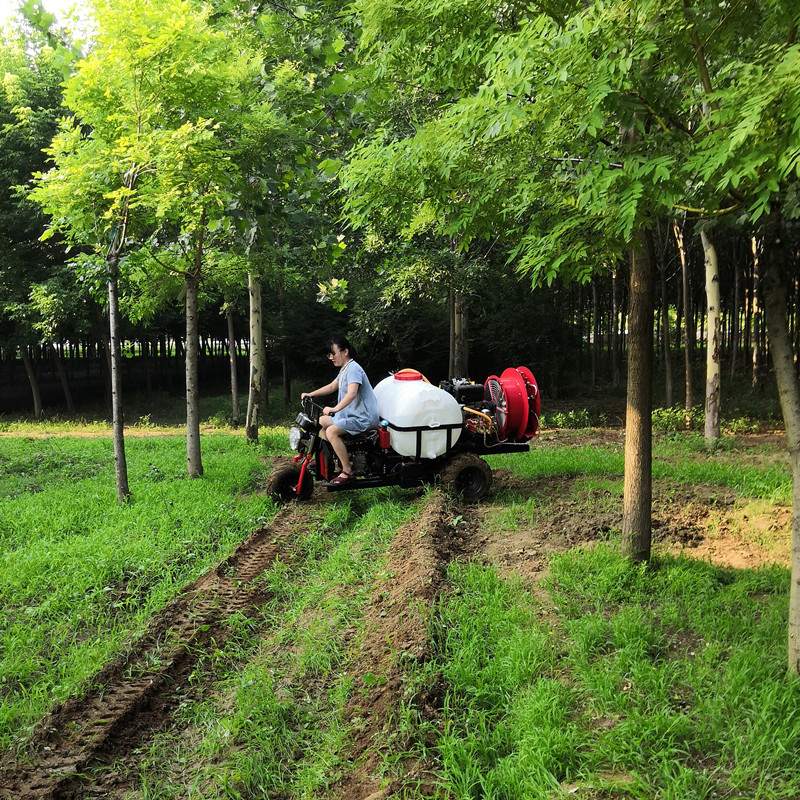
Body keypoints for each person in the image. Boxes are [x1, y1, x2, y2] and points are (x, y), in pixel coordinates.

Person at [301, 336, 379, 484]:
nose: (331, 358)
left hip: (363, 417)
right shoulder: (345, 369)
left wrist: (335, 409)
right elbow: (331, 387)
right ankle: (326, 460)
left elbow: (352, 393)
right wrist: (310, 394)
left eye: (333, 353)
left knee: (331, 431)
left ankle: (347, 471)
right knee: (322, 422)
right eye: (329, 355)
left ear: (345, 352)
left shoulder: (354, 369)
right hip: (351, 415)